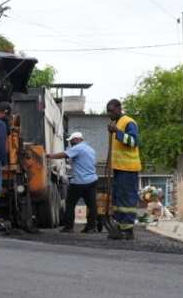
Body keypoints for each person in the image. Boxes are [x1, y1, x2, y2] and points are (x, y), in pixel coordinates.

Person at [47, 131, 98, 233]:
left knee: (70, 204)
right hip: (92, 181)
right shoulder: (91, 149)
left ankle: (69, 227)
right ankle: (91, 227)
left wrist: (49, 156)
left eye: (71, 141)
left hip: (79, 182)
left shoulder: (78, 148)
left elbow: (64, 155)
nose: (70, 143)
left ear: (77, 139)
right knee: (92, 205)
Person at [106, 98, 142, 240]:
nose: (109, 113)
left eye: (111, 110)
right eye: (108, 111)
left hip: (129, 168)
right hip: (120, 169)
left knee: (127, 199)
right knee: (119, 198)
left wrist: (117, 132)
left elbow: (133, 142)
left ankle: (128, 230)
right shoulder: (117, 123)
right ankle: (120, 227)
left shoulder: (128, 122)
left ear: (119, 109)